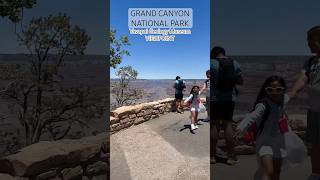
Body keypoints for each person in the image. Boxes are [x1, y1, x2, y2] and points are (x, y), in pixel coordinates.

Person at [236, 76, 290, 180]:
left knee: (276, 171)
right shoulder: (263, 105)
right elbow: (252, 116)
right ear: (265, 90)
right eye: (270, 90)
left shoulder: (282, 102)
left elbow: (282, 116)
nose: (274, 93)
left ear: (283, 89)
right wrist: (241, 127)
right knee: (268, 170)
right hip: (265, 142)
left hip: (279, 143)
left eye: (278, 89)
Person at [288, 25, 320, 180]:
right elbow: (303, 78)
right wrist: (293, 91)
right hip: (314, 110)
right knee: (315, 143)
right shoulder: (311, 62)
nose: (308, 44)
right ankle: (316, 173)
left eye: (310, 40)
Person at [210, 46, 243, 165]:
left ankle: (212, 156)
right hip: (229, 99)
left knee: (214, 126)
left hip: (215, 99)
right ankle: (231, 157)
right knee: (227, 126)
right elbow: (241, 81)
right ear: (224, 53)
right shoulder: (235, 63)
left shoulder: (211, 63)